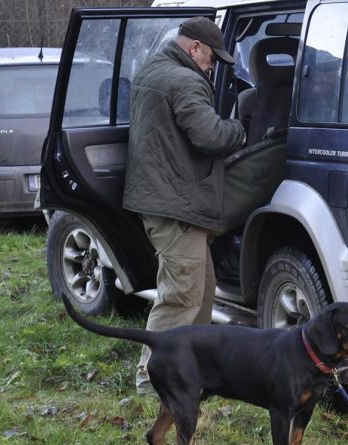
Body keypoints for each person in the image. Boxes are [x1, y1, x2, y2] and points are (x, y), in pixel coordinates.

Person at [122, 16, 246, 395]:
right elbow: (209, 135)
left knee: (202, 293)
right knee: (181, 299)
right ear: (194, 49)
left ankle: (192, 373)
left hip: (164, 201)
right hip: (175, 208)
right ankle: (151, 382)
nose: (212, 69)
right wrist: (240, 130)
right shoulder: (185, 80)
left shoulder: (151, 69)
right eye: (211, 60)